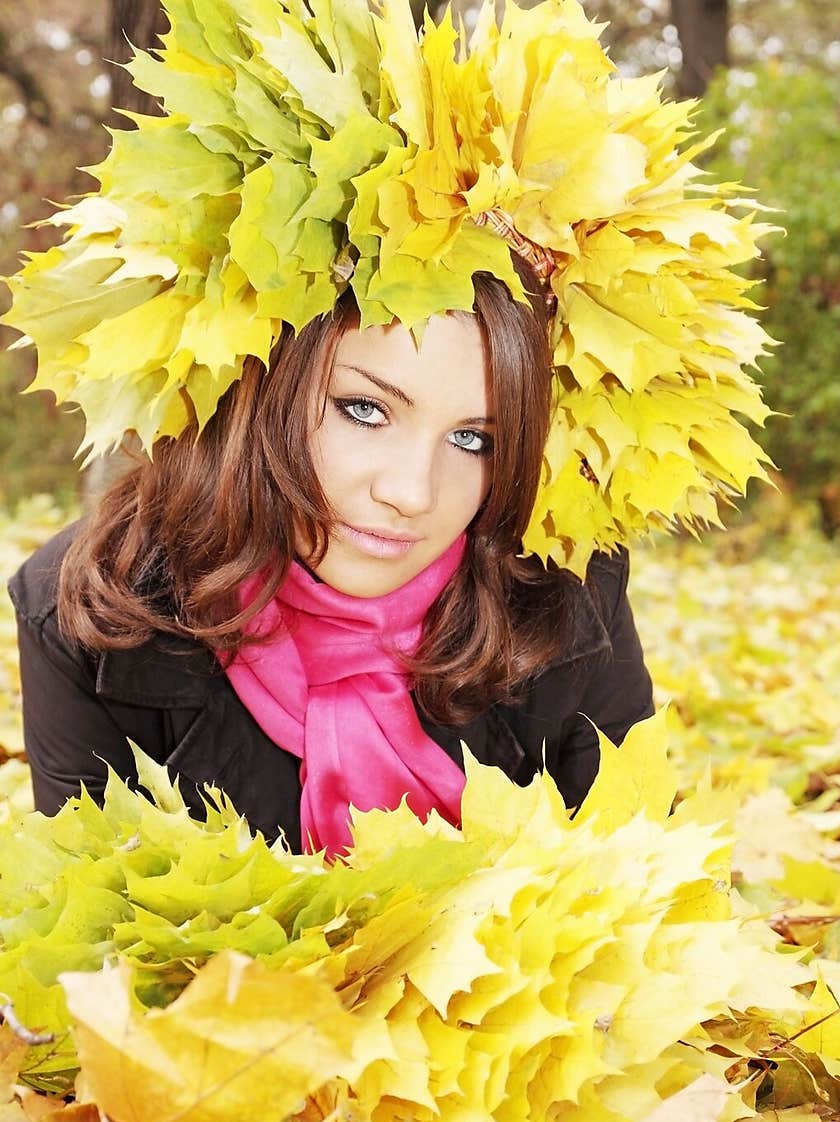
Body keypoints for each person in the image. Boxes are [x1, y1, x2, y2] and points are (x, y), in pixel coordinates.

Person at [2, 0, 774, 861]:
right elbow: (109, 949)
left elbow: (644, 900)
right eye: (365, 409)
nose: (411, 493)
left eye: (474, 440)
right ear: (263, 387)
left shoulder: (563, 592)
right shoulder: (92, 607)